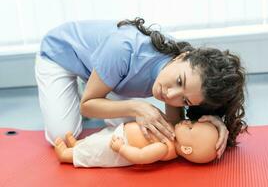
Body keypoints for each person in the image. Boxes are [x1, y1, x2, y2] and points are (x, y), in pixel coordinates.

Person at [35, 17, 247, 159]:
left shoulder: (184, 76)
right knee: (61, 136)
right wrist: (136, 107)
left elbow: (175, 127)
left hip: (110, 71)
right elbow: (87, 106)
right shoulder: (124, 49)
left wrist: (212, 121)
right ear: (181, 57)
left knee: (143, 134)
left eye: (185, 101)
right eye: (180, 81)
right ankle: (92, 84)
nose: (170, 94)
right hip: (59, 54)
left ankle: (97, 82)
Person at [54, 120, 219, 167]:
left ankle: (67, 155)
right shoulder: (172, 134)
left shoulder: (164, 147)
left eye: (189, 128)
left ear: (186, 149)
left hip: (120, 146)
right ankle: (78, 144)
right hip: (120, 133)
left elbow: (140, 156)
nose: (186, 122)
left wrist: (121, 148)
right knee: (96, 139)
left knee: (95, 152)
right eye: (192, 122)